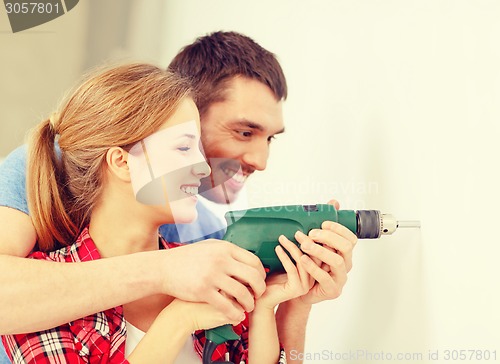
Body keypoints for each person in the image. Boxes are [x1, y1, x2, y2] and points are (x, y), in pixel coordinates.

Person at [0, 31, 357, 363]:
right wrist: (174, 298)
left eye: (269, 139)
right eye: (244, 131)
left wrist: (293, 305)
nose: (260, 162)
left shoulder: (211, 242)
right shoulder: (41, 169)